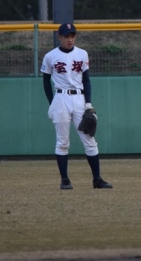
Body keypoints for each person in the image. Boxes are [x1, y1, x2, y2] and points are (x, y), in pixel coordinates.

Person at [41, 23, 113, 190]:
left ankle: (97, 180)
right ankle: (65, 180)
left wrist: (88, 104)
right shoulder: (50, 56)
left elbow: (86, 80)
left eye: (72, 35)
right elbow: (45, 81)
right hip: (61, 98)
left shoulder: (82, 53)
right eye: (66, 36)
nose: (70, 39)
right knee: (62, 141)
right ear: (59, 37)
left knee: (90, 140)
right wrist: (52, 102)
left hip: (79, 98)